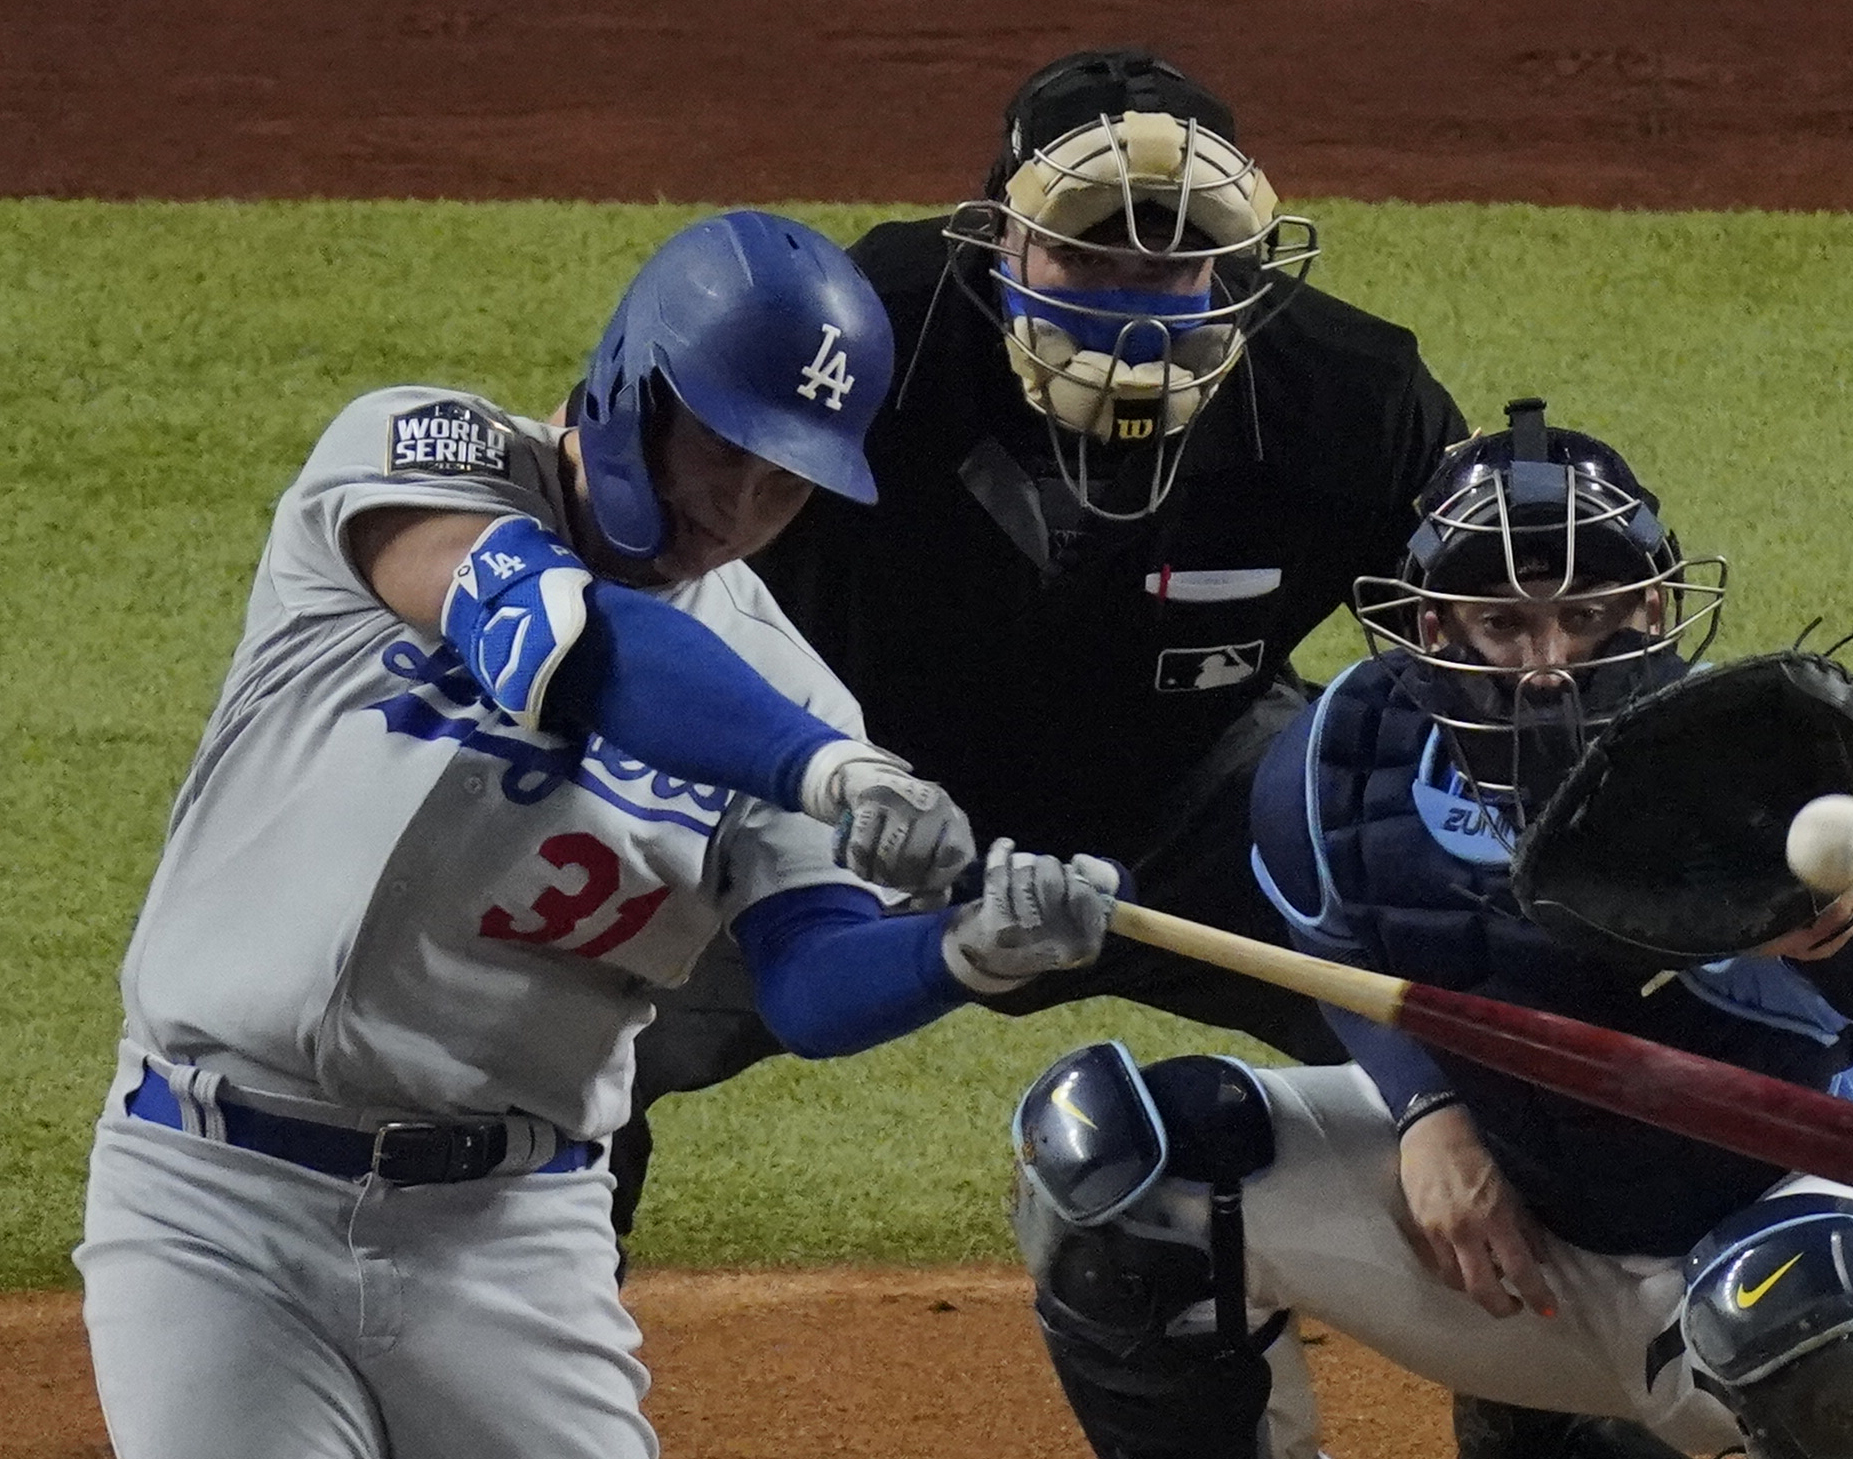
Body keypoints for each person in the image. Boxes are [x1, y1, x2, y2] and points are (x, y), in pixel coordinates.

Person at [74, 209, 1122, 1459]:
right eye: (720, 445)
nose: (737, 506)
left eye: (785, 480)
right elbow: (572, 638)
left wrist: (963, 953)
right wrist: (826, 771)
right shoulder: (426, 456)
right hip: (213, 1196)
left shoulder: (784, 688)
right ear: (638, 382)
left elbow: (810, 983)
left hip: (511, 1237)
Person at [1006, 401, 1853, 1459]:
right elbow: (1336, 955)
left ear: (1654, 613)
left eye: (1590, 614)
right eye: (1504, 623)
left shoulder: (1753, 774)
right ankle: (1569, 1413)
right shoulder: (1342, 769)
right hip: (1553, 1234)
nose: (1550, 661)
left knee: (1803, 1308)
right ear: (1432, 627)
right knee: (1118, 1165)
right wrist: (1426, 1112)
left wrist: (1830, 922)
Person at [607, 41, 1466, 1246]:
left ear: (1243, 266)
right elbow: (629, 552)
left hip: (1190, 798)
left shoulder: (1350, 395)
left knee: (1472, 1006)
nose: (1133, 301)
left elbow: (1482, 650)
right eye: (1086, 253)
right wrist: (793, 763)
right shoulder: (862, 330)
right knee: (561, 1029)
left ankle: (1566, 1409)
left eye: (1179, 264)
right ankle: (516, 1349)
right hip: (843, 801)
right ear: (997, 240)